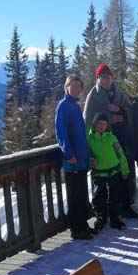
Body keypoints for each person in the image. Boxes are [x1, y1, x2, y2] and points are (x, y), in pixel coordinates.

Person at [84, 63, 137, 217]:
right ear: (97, 79)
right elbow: (88, 121)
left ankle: (127, 206)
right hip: (104, 145)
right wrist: (108, 119)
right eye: (102, 77)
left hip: (122, 141)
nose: (105, 80)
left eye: (108, 77)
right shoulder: (93, 96)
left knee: (125, 172)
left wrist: (121, 112)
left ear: (112, 78)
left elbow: (130, 111)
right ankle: (107, 211)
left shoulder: (119, 93)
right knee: (109, 179)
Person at [55, 75, 94, 240]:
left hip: (81, 158)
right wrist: (69, 154)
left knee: (82, 193)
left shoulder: (76, 106)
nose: (77, 89)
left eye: (79, 86)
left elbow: (81, 134)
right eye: (73, 86)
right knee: (74, 195)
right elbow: (61, 133)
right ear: (67, 87)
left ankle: (83, 225)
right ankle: (76, 229)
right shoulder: (63, 106)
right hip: (72, 160)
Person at [87, 112, 130, 231]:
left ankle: (115, 219)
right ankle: (101, 219)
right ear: (95, 125)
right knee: (99, 197)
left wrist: (124, 170)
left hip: (114, 171)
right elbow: (88, 155)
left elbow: (121, 154)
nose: (102, 126)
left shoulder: (112, 138)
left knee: (115, 196)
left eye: (104, 124)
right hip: (99, 173)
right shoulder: (90, 140)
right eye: (100, 124)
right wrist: (91, 161)